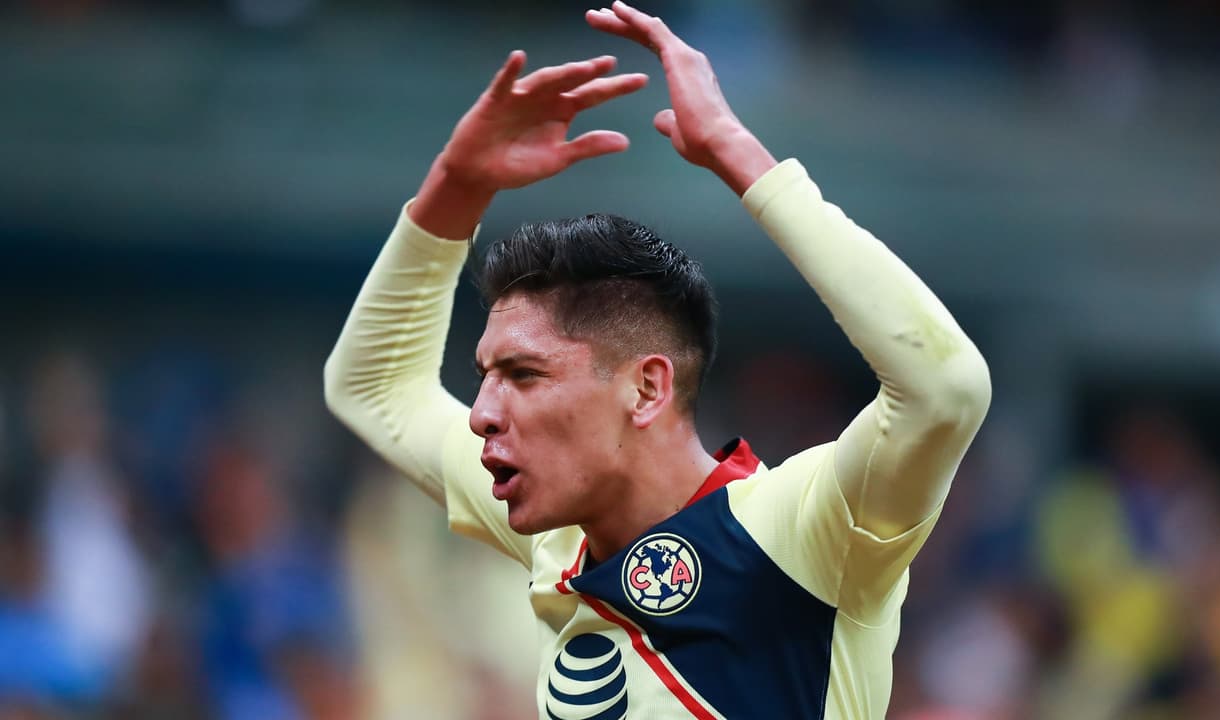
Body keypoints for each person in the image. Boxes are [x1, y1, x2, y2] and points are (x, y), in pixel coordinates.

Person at [324, 2, 991, 718]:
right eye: (485, 376)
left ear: (646, 389)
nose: (482, 414)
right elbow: (373, 385)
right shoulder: (559, 538)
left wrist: (739, 155)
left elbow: (944, 387)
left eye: (523, 375)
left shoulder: (803, 534)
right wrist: (457, 185)